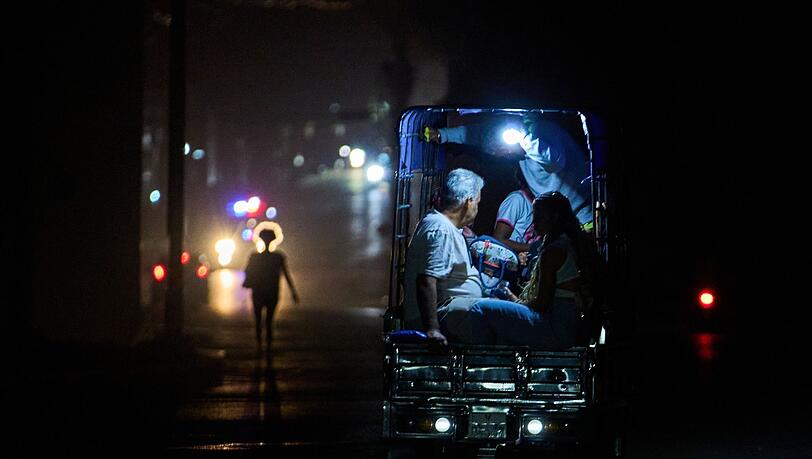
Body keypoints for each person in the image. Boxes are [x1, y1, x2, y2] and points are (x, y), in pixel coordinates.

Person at [403, 168, 572, 348]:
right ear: (468, 202)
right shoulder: (441, 230)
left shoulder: (448, 228)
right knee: (508, 318)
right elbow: (426, 281)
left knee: (501, 309)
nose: (477, 208)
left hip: (457, 309)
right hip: (446, 313)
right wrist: (432, 330)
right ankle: (554, 341)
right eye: (477, 202)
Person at [424, 114, 593, 231]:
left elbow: (555, 161)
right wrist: (441, 135)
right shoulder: (514, 150)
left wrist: (524, 139)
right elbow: (476, 135)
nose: (502, 155)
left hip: (583, 213)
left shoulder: (541, 133)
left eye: (503, 150)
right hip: (556, 219)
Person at [497, 191, 600, 349]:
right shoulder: (574, 243)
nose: (534, 222)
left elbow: (542, 304)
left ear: (554, 218)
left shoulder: (553, 251)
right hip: (575, 327)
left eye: (538, 215)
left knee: (485, 310)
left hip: (557, 328)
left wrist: (514, 300)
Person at [242, 228, 300, 354]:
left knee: (258, 320)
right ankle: (268, 347)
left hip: (258, 291)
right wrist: (293, 292)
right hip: (272, 292)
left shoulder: (254, 257)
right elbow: (286, 275)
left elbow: (247, 272)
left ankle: (259, 347)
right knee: (269, 321)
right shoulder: (278, 257)